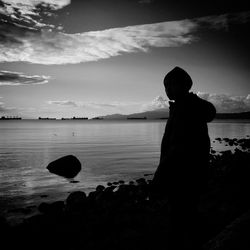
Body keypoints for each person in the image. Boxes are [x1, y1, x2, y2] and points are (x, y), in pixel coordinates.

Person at [151, 66, 216, 249]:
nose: (167, 90)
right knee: (188, 213)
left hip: (183, 174)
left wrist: (159, 176)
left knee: (179, 218)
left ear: (183, 85)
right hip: (193, 172)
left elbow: (176, 148)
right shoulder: (184, 106)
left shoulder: (185, 109)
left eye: (170, 85)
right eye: (165, 86)